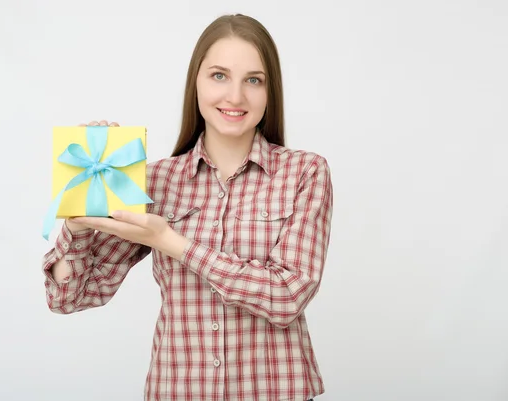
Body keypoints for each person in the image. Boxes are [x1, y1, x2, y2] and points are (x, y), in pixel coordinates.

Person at [42, 13, 333, 401]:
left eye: (253, 80)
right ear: (195, 81)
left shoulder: (305, 172)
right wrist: (79, 219)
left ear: (270, 90)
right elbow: (70, 297)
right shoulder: (156, 181)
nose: (235, 96)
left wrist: (172, 242)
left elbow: (287, 296)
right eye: (219, 75)